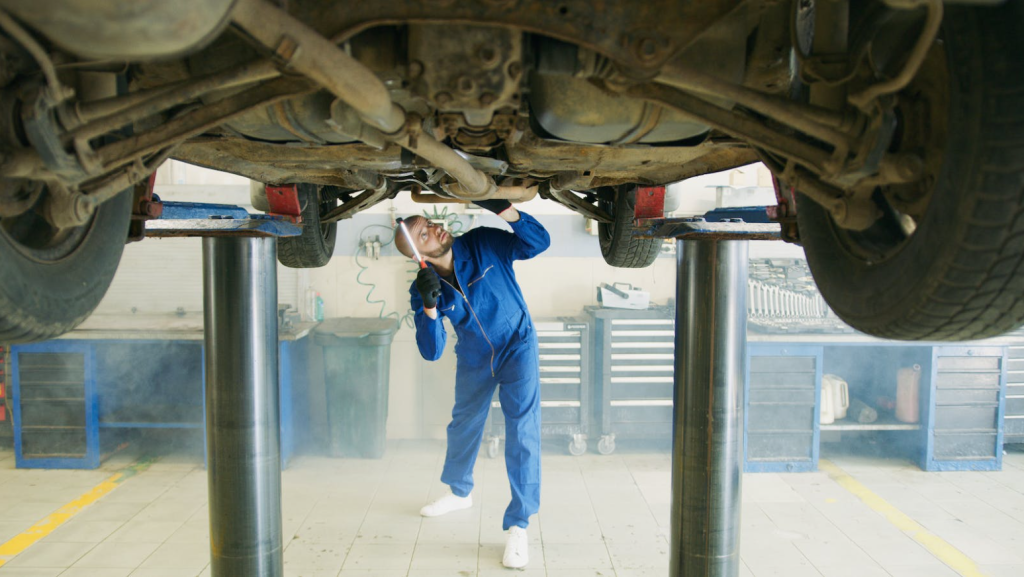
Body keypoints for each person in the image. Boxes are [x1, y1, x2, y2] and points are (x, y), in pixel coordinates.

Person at [394, 199, 550, 569]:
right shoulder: (423, 287)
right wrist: (430, 306)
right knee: (463, 423)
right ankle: (460, 492)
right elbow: (432, 351)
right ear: (417, 254)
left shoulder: (482, 242)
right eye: (423, 233)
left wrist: (505, 209)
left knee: (522, 429)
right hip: (475, 356)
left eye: (430, 223)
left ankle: (519, 525)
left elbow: (538, 243)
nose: (435, 228)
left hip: (517, 345)